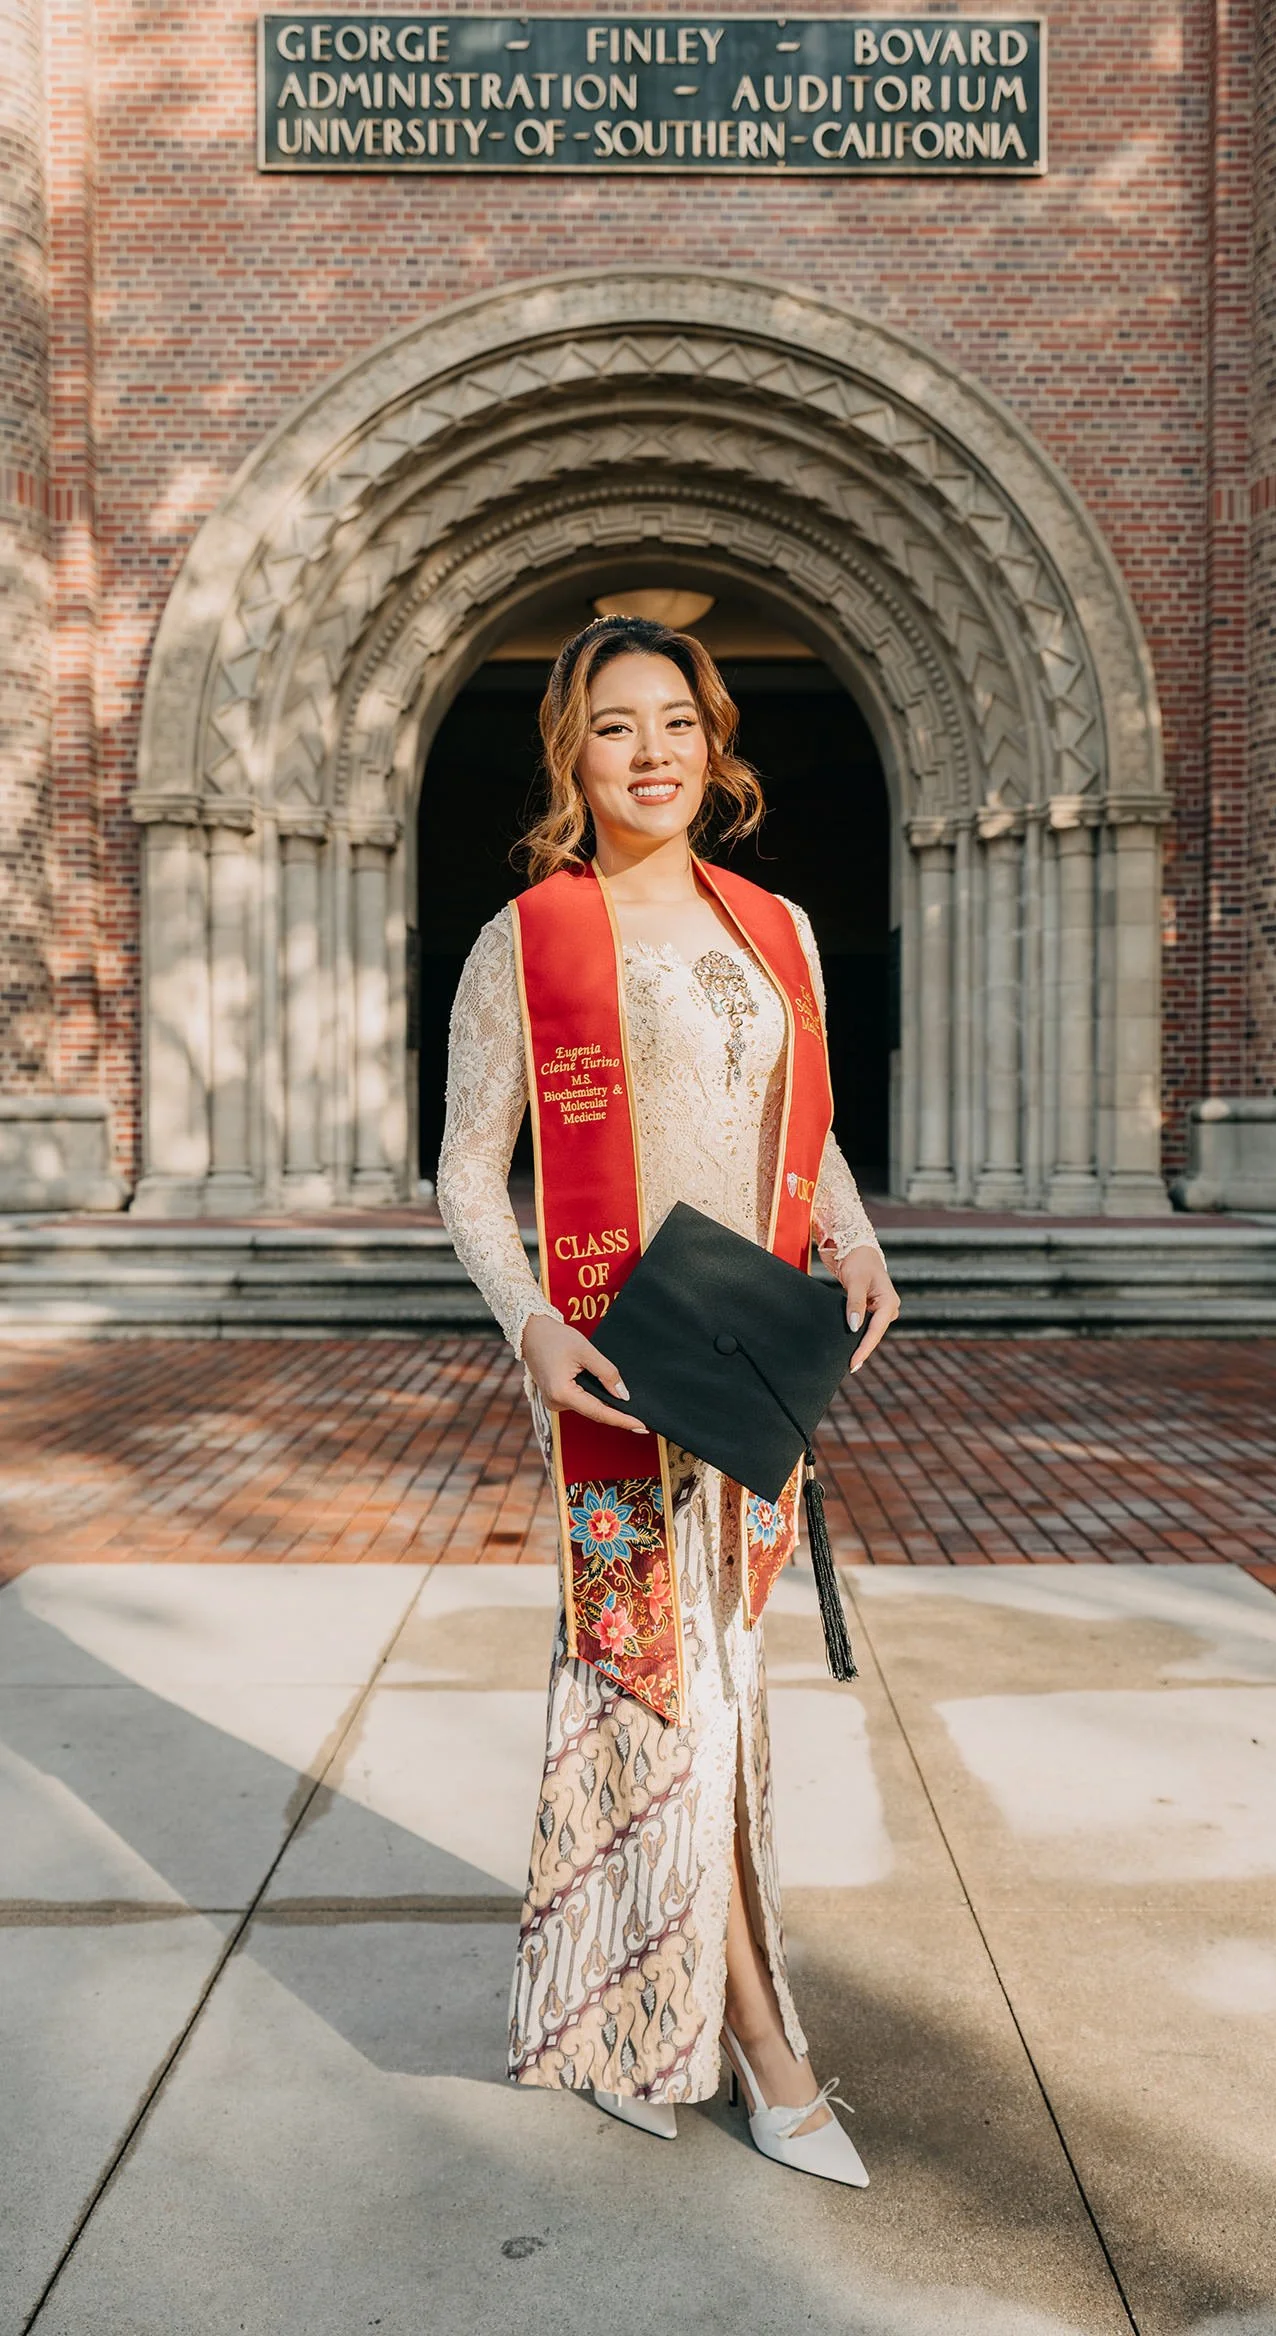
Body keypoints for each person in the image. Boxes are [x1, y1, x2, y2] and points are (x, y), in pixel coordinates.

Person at [437, 613, 899, 2187]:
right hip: (619, 1377)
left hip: (752, 1356)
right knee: (673, 1701)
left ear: (716, 744)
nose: (653, 754)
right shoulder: (535, 937)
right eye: (618, 726)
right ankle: (771, 2059)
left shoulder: (778, 929)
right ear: (573, 752)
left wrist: (854, 1231)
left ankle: (634, 2027)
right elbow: (464, 1171)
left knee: (704, 1705)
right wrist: (529, 1332)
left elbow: (805, 1120)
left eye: (679, 724)